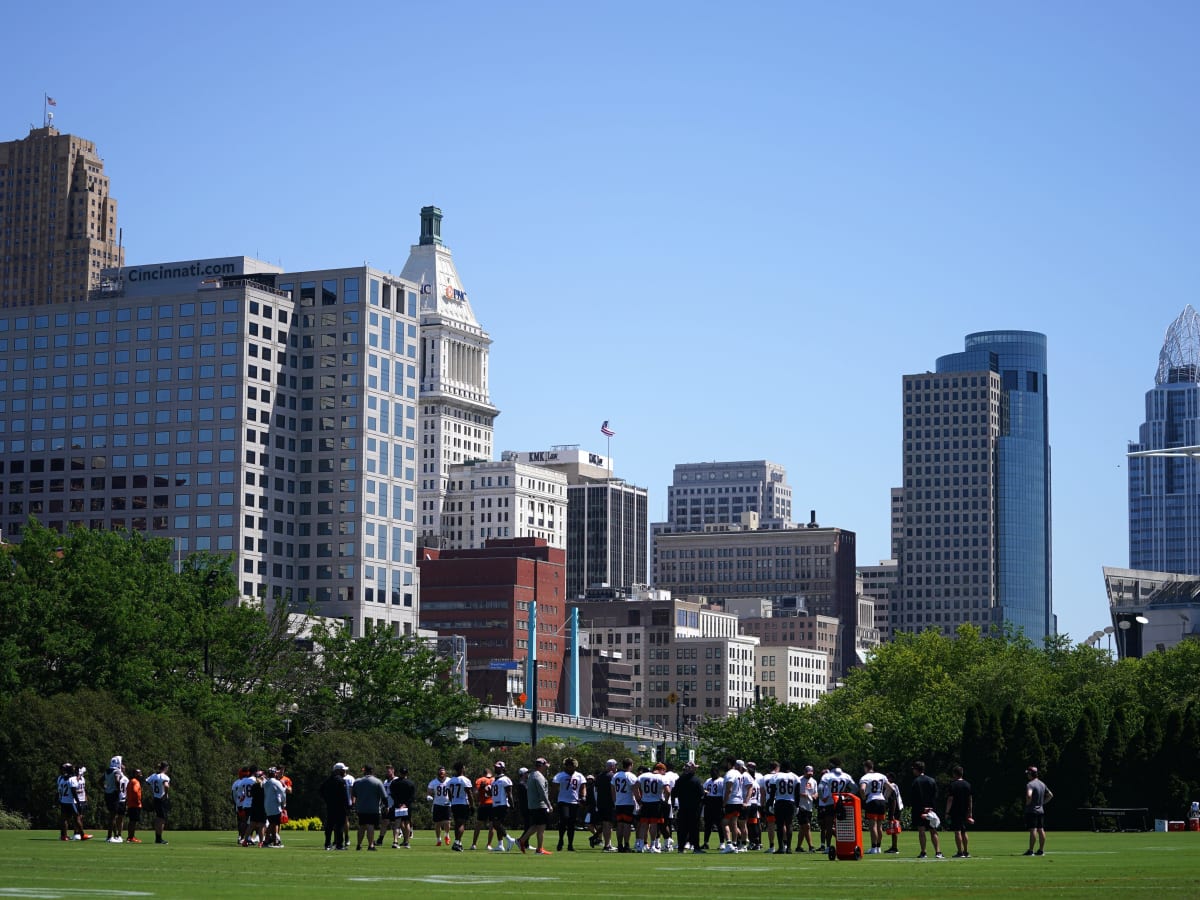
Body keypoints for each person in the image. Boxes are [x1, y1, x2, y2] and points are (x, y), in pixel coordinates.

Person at [515, 757, 553, 855]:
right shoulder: (538, 776)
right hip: (540, 805)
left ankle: (521, 840)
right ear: (542, 765)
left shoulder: (532, 775)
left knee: (535, 826)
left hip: (533, 805)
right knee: (541, 828)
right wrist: (549, 805)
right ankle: (539, 849)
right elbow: (542, 792)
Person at [910, 760, 943, 859]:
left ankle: (923, 852)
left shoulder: (916, 781)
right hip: (931, 810)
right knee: (933, 831)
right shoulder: (931, 780)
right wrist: (931, 808)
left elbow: (914, 798)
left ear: (917, 769)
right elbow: (935, 796)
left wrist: (921, 809)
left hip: (919, 810)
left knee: (921, 831)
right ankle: (938, 852)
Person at [552, 757, 586, 852]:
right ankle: (561, 840)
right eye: (569, 766)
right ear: (566, 766)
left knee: (572, 823)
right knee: (564, 820)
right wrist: (553, 799)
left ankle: (570, 844)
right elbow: (554, 787)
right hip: (563, 801)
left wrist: (583, 796)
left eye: (572, 766)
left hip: (574, 802)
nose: (571, 768)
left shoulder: (579, 776)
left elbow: (583, 786)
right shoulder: (560, 776)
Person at [859, 759, 891, 855]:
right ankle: (878, 847)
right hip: (881, 800)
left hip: (872, 800)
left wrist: (864, 798)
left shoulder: (865, 777)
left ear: (866, 767)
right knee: (880, 825)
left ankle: (873, 847)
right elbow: (890, 788)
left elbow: (862, 789)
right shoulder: (881, 776)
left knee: (873, 825)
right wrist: (885, 797)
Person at [634, 762, 668, 852]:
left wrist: (638, 800)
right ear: (661, 770)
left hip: (645, 802)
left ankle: (640, 845)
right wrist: (665, 801)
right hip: (656, 803)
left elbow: (634, 787)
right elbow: (668, 791)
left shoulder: (643, 776)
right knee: (654, 825)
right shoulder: (661, 777)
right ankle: (653, 846)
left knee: (643, 824)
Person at [673, 760, 705, 853]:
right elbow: (701, 794)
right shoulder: (696, 780)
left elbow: (674, 793)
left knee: (682, 829)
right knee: (694, 829)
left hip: (682, 807)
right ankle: (696, 847)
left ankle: (681, 848)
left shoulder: (679, 780)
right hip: (694, 808)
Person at [353, 764, 386, 851]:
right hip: (373, 808)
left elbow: (354, 794)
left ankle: (359, 844)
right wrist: (386, 806)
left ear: (364, 771)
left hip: (361, 808)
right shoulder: (377, 781)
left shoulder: (357, 781)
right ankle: (371, 845)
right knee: (370, 826)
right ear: (372, 771)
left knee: (362, 826)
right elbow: (384, 796)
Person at [1023, 766, 1054, 856]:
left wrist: (1028, 803)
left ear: (1031, 774)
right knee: (1041, 829)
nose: (1027, 775)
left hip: (1032, 810)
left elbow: (1029, 796)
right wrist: (1042, 803)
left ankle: (1031, 850)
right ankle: (1041, 850)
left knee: (1033, 830)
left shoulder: (1030, 784)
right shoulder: (1042, 784)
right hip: (1041, 810)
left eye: (1028, 773)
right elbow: (1050, 795)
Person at [488, 761, 518, 852]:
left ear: (502, 768)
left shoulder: (505, 779)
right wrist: (487, 790)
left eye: (497, 767)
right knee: (496, 824)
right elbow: (492, 794)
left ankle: (510, 840)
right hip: (495, 804)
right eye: (495, 767)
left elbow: (509, 793)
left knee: (496, 824)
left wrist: (512, 805)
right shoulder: (494, 780)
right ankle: (500, 845)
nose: (495, 768)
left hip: (502, 804)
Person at [320, 763, 351, 850]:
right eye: (343, 770)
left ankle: (327, 844)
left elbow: (321, 791)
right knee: (339, 826)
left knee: (329, 826)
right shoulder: (341, 781)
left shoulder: (327, 780)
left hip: (330, 806)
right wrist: (347, 807)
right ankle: (339, 845)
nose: (344, 771)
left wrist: (327, 800)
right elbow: (344, 796)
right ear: (338, 770)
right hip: (340, 807)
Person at [720, 757, 748, 853]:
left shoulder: (730, 774)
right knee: (734, 823)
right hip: (738, 801)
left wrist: (724, 803)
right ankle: (735, 845)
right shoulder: (738, 773)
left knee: (724, 823)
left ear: (729, 763)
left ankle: (729, 844)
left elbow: (729, 789)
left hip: (731, 801)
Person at [772, 761, 800, 854]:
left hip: (779, 801)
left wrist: (770, 804)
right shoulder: (795, 777)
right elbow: (797, 793)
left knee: (780, 825)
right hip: (790, 802)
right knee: (789, 825)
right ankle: (789, 848)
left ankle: (781, 847)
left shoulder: (776, 776)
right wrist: (797, 805)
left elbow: (772, 792)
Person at [946, 765, 974, 858]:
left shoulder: (953, 785)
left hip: (955, 810)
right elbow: (970, 799)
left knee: (957, 831)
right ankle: (966, 851)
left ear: (954, 774)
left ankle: (960, 852)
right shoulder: (967, 784)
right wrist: (970, 812)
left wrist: (947, 812)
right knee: (964, 831)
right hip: (965, 810)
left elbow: (950, 799)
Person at [57, 763, 89, 841]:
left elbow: (59, 790)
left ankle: (64, 836)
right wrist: (78, 801)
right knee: (77, 818)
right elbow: (73, 791)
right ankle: (82, 835)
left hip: (63, 800)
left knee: (64, 819)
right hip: (71, 801)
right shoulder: (72, 778)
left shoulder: (61, 778)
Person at [612, 757, 638, 852]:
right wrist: (639, 800)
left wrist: (615, 801)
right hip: (628, 803)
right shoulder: (630, 776)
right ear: (630, 765)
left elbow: (612, 789)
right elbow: (635, 789)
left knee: (620, 825)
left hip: (619, 803)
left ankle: (619, 845)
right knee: (627, 825)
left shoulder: (616, 775)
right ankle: (626, 845)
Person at [592, 759, 618, 851]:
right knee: (608, 825)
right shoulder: (612, 776)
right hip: (609, 803)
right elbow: (614, 790)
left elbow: (595, 790)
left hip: (600, 803)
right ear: (612, 766)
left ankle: (608, 844)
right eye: (615, 766)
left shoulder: (599, 776)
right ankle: (607, 845)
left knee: (605, 824)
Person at [448, 761, 474, 851]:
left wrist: (452, 801)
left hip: (454, 803)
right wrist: (472, 805)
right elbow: (469, 793)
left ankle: (458, 843)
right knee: (462, 824)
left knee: (457, 824)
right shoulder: (465, 780)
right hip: (463, 803)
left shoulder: (451, 780)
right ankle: (457, 842)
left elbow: (449, 793)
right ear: (462, 768)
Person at [389, 765, 416, 848]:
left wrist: (399, 803)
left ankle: (395, 841)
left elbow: (392, 794)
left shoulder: (394, 782)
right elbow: (413, 796)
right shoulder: (411, 783)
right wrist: (405, 804)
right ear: (407, 773)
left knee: (397, 823)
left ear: (399, 773)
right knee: (407, 823)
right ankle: (407, 842)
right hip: (407, 806)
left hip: (397, 805)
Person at [145, 762, 171, 845]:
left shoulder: (153, 776)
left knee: (158, 818)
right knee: (162, 819)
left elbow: (147, 783)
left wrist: (152, 790)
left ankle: (157, 838)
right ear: (166, 768)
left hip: (155, 798)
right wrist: (166, 794)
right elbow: (166, 785)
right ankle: (159, 839)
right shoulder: (164, 776)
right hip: (161, 799)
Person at [428, 765, 453, 847]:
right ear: (438, 773)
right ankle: (438, 839)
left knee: (447, 822)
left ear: (445, 772)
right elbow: (429, 792)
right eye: (440, 771)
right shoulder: (433, 782)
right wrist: (429, 796)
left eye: (443, 771)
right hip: (437, 804)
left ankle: (446, 835)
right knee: (437, 823)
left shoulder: (449, 781)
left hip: (447, 803)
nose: (441, 773)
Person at [701, 764, 725, 850]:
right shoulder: (708, 781)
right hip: (709, 802)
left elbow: (724, 792)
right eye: (711, 772)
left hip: (717, 802)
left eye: (714, 772)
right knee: (708, 824)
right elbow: (703, 789)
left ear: (718, 773)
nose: (712, 774)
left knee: (719, 824)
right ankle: (705, 842)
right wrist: (705, 792)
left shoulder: (722, 781)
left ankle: (722, 842)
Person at [263, 767, 287, 849]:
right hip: (275, 806)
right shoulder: (276, 782)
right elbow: (283, 793)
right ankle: (275, 841)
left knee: (271, 823)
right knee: (275, 823)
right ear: (274, 773)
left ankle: (267, 840)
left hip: (267, 806)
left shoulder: (266, 783)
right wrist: (284, 802)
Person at [471, 765, 494, 851]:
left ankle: (474, 844)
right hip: (492, 804)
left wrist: (477, 800)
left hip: (483, 804)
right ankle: (489, 844)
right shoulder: (494, 780)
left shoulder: (480, 780)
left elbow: (475, 792)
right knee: (492, 825)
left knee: (478, 825)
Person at [103, 756, 126, 843]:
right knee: (113, 816)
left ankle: (115, 835)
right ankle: (109, 836)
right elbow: (117, 780)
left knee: (112, 815)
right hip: (114, 794)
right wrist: (119, 790)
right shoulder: (117, 771)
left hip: (107, 794)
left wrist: (105, 788)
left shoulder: (107, 771)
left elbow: (100, 781)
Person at [796, 765, 818, 852]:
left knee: (803, 827)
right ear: (804, 772)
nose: (810, 775)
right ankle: (811, 846)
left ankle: (798, 847)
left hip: (809, 806)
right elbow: (796, 792)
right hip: (801, 806)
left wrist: (814, 796)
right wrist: (803, 795)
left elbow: (816, 792)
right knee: (807, 826)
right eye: (808, 773)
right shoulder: (799, 780)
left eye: (811, 773)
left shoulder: (814, 781)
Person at [245, 769, 267, 849]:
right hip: (262, 808)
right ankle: (261, 842)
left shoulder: (254, 785)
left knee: (251, 825)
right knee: (261, 826)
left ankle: (245, 841)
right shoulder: (263, 786)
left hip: (254, 807)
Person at [125, 768, 144, 843]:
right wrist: (138, 800)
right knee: (133, 821)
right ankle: (131, 837)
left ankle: (130, 836)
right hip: (135, 804)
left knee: (131, 821)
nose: (140, 776)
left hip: (130, 804)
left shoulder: (130, 781)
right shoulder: (136, 782)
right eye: (139, 774)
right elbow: (135, 791)